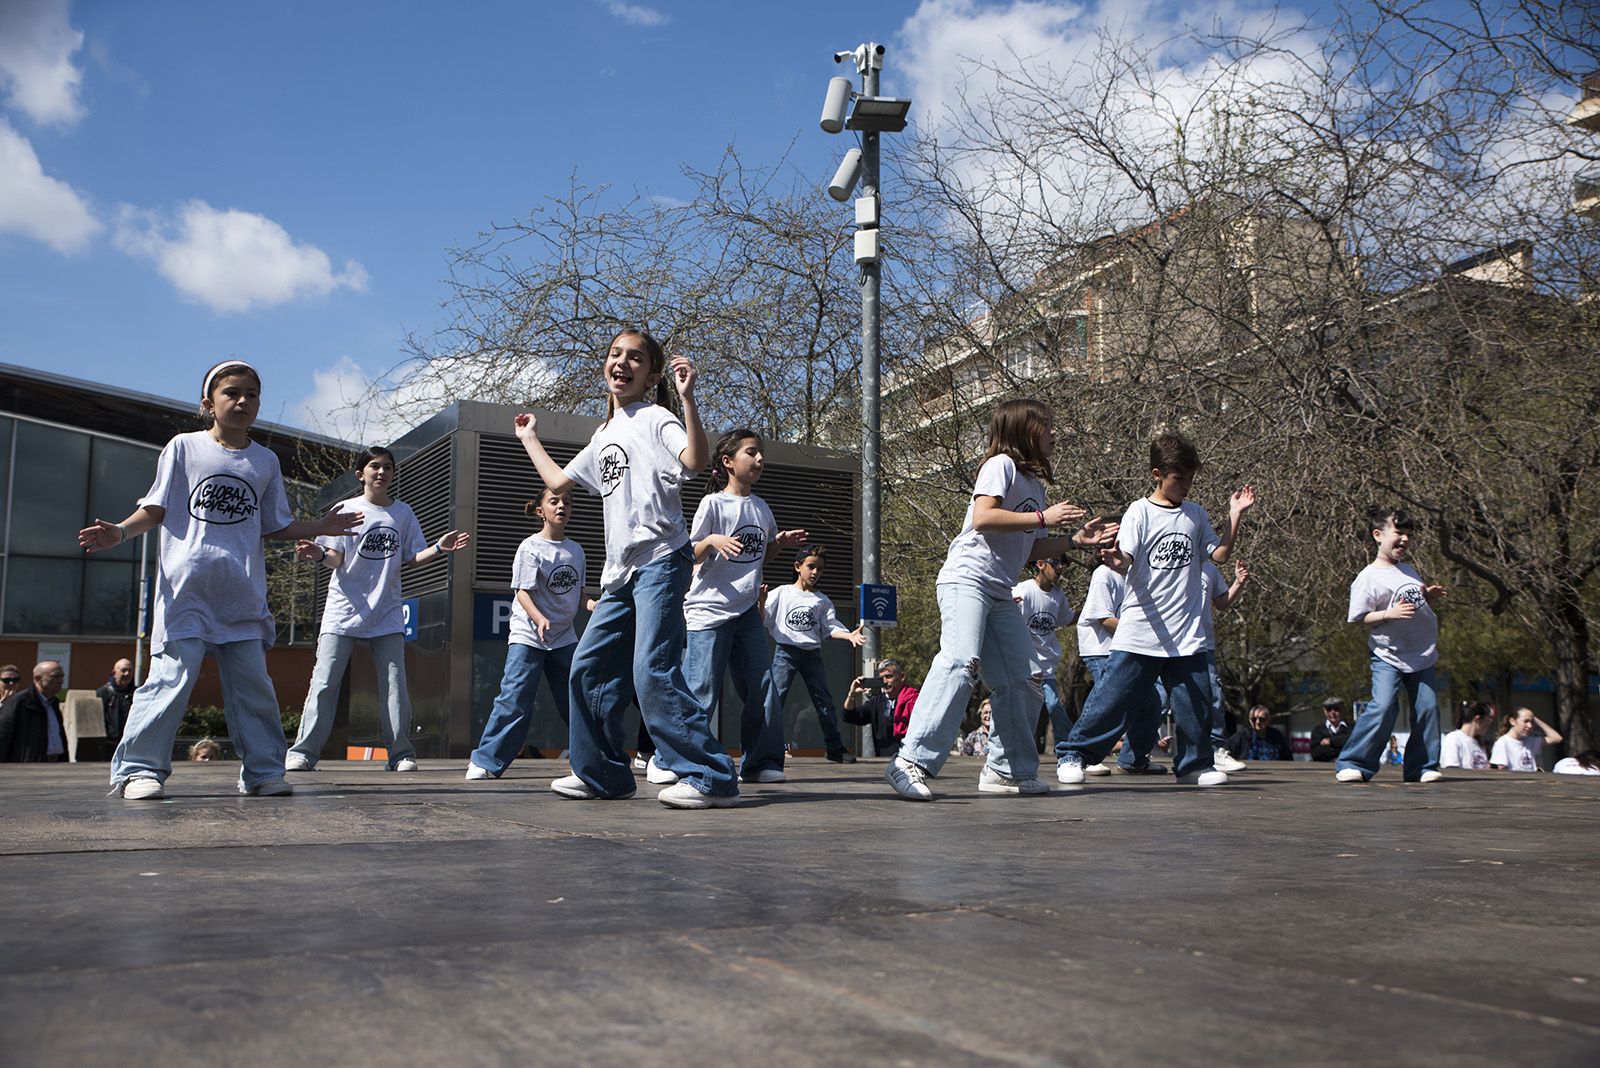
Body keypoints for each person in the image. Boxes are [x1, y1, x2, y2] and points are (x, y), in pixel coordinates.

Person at [79, 359, 361, 800]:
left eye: (252, 394)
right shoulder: (183, 447)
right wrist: (118, 531)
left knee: (254, 688)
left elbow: (275, 524)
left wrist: (318, 525)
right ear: (208, 404)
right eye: (232, 393)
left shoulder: (265, 460)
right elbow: (156, 508)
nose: (243, 401)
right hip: (187, 593)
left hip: (242, 595)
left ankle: (265, 771)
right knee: (170, 682)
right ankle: (139, 770)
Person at [513, 327, 739, 809]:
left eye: (635, 358)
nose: (622, 363)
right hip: (620, 575)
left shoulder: (657, 417)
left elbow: (695, 461)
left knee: (651, 670)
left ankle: (711, 774)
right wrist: (528, 437)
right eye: (615, 354)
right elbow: (558, 480)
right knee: (587, 669)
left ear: (651, 374)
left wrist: (688, 399)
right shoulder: (604, 435)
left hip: (661, 560)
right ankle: (604, 774)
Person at [886, 398, 1116, 801]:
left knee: (1026, 679)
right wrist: (1043, 518)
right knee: (961, 663)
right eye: (1047, 427)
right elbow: (984, 518)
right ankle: (910, 761)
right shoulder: (1000, 466)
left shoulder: (1033, 485)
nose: (1054, 435)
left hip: (999, 589)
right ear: (1026, 431)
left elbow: (1025, 550)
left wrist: (1074, 541)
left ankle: (1005, 771)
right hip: (967, 580)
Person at [1057, 431, 1255, 787]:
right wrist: (1115, 558)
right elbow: (1125, 558)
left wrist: (1235, 514)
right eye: (1179, 479)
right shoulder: (1139, 511)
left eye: (1191, 478)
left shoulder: (1195, 515)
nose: (1186, 486)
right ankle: (1074, 754)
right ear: (1157, 475)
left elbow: (1220, 555)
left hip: (1186, 633)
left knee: (1195, 705)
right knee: (1113, 700)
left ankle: (1194, 765)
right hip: (1142, 631)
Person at [288, 446, 470, 772]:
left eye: (387, 467)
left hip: (386, 613)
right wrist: (317, 553)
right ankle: (303, 752)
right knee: (326, 682)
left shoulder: (403, 514)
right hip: (343, 611)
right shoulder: (345, 508)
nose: (381, 472)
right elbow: (335, 558)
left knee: (394, 686)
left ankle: (401, 755)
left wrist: (439, 548)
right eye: (374, 466)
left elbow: (411, 559)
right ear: (361, 474)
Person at [677, 428, 807, 786]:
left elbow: (762, 553)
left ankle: (760, 762)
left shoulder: (761, 506)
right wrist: (712, 540)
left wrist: (778, 543)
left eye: (761, 453)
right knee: (701, 690)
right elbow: (689, 553)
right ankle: (683, 760)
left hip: (747, 610)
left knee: (761, 687)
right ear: (728, 462)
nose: (760, 460)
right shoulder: (713, 504)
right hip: (708, 610)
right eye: (751, 453)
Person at [467, 487, 584, 780]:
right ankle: (485, 760)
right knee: (515, 697)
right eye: (554, 501)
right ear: (540, 510)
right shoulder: (530, 547)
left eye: (567, 503)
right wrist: (540, 619)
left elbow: (579, 594)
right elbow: (522, 592)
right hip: (529, 635)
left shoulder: (576, 550)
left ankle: (589, 760)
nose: (561, 507)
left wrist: (595, 604)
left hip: (564, 638)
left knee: (579, 695)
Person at [1337, 508, 1446, 784]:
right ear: (1378, 535)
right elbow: (1359, 617)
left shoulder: (1408, 570)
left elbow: (1411, 604)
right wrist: (1388, 614)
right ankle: (1354, 762)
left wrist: (1427, 597)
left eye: (1409, 535)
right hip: (1388, 654)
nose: (1405, 540)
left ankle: (1421, 767)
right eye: (1399, 533)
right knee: (1384, 706)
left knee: (1428, 708)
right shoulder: (1369, 577)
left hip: (1421, 654)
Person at [763, 543, 865, 763]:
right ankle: (766, 748)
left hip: (811, 655)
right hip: (786, 652)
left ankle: (835, 748)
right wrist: (760, 602)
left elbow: (830, 626)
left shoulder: (822, 600)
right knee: (775, 699)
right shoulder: (782, 593)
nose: (815, 572)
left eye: (820, 569)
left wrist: (849, 636)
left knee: (824, 701)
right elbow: (763, 616)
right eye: (811, 566)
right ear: (798, 566)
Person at [1013, 556, 1074, 757]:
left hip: (1047, 665)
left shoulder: (1058, 596)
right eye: (1056, 563)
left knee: (1054, 706)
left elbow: (1068, 619)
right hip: (1025, 664)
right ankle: (1015, 748)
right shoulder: (1024, 590)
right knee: (1023, 708)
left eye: (1063, 564)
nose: (1061, 568)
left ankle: (1068, 751)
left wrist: (1095, 609)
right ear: (1040, 564)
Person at [843, 659, 920, 759]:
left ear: (902, 677)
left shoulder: (915, 699)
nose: (885, 681)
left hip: (912, 760)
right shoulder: (877, 702)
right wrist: (852, 694)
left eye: (889, 677)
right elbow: (848, 716)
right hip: (884, 762)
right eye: (881, 678)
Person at [0, 661, 68, 762]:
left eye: (62, 676)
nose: (61, 680)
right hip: (30, 767)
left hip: (56, 763)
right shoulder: (19, 703)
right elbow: (3, 738)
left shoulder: (53, 703)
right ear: (38, 679)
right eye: (55, 676)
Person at [1489, 707, 1563, 772]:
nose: (1530, 726)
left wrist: (1537, 720)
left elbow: (1557, 738)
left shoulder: (1531, 741)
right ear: (1512, 721)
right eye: (1526, 721)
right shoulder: (1503, 743)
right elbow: (1499, 771)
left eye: (1532, 722)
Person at [95, 658, 136, 753]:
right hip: (110, 745)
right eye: (123, 670)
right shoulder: (103, 693)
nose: (127, 674)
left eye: (130, 671)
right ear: (114, 673)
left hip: (131, 745)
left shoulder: (137, 693)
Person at [1226, 704, 1292, 762]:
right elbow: (1225, 754)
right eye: (1254, 719)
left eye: (1262, 719)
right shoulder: (1242, 736)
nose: (1257, 722)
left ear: (1268, 720)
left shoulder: (1276, 736)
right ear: (1250, 720)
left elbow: (1287, 757)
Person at [1440, 701, 1493, 770]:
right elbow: (1452, 769)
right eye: (1487, 720)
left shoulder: (1479, 742)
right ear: (1477, 719)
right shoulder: (1453, 738)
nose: (1488, 725)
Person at [1309, 697, 1351, 763]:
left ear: (1343, 709)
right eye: (1329, 709)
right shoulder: (1318, 730)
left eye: (1336, 709)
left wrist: (1331, 742)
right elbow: (1316, 754)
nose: (1333, 712)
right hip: (1323, 770)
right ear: (1324, 711)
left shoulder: (1352, 728)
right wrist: (1342, 747)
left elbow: (1354, 748)